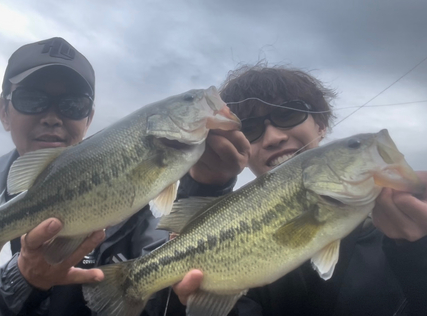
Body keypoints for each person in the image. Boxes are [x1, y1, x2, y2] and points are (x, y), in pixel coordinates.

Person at [0, 37, 227, 316]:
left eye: (73, 105)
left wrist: (207, 188)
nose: (52, 117)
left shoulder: (135, 211)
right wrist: (19, 280)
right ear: (4, 111)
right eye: (32, 99)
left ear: (89, 118)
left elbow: (168, 293)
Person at [173, 64, 427, 316]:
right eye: (249, 129)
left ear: (321, 124)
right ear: (240, 147)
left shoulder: (408, 226)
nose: (273, 137)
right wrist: (201, 188)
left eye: (288, 114)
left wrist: (418, 255)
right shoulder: (217, 232)